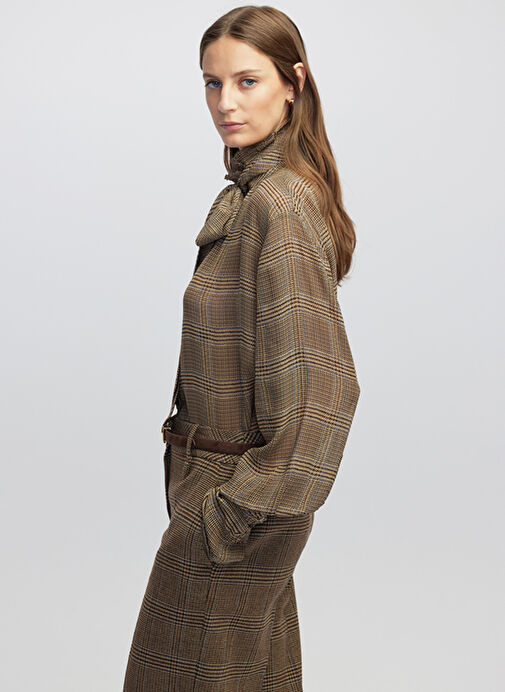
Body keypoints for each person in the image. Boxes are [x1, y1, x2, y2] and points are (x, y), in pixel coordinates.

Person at [123, 6, 360, 691]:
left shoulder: (278, 205)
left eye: (246, 81)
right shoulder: (254, 194)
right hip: (219, 493)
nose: (225, 102)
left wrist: (231, 513)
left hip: (234, 506)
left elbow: (323, 394)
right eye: (212, 83)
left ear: (293, 84)